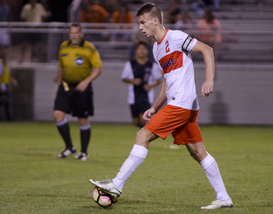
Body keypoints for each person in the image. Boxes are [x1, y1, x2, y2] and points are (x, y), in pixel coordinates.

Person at [90, 3, 233, 210]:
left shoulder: (175, 37)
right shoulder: (157, 49)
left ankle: (115, 185)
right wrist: (155, 106)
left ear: (155, 20)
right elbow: (168, 80)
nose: (140, 27)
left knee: (142, 136)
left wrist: (209, 79)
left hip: (181, 103)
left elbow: (207, 49)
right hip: (183, 105)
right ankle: (223, 197)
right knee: (197, 152)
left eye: (142, 22)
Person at [53, 23, 102, 161]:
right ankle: (69, 147)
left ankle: (84, 152)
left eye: (76, 32)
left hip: (82, 89)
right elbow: (60, 67)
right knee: (57, 114)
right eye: (71, 33)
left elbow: (98, 68)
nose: (74, 35)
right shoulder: (63, 46)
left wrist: (86, 81)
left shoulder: (89, 48)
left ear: (81, 34)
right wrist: (58, 84)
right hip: (65, 86)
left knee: (82, 119)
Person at [121, 41, 161, 128]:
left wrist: (151, 85)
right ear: (136, 51)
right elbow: (124, 78)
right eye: (140, 49)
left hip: (146, 96)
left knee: (143, 119)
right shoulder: (130, 64)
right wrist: (132, 81)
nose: (142, 51)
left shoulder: (152, 65)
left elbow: (158, 79)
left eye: (144, 49)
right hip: (133, 96)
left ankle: (142, 139)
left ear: (147, 51)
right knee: (136, 122)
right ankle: (142, 136)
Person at [0, 49, 18, 121]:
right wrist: (0, 87)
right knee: (1, 103)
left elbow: (8, 75)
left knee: (5, 103)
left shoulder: (6, 64)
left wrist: (13, 81)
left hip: (6, 85)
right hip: (1, 86)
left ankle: (7, 119)